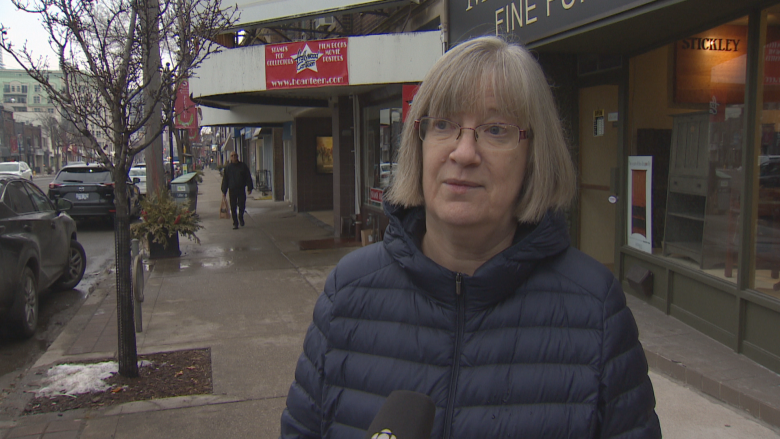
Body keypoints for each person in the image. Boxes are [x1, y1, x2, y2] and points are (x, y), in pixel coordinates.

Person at [280, 36, 661, 439]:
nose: (463, 152)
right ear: (419, 142)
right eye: (443, 124)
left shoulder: (595, 310)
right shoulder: (347, 293)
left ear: (535, 156)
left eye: (496, 129)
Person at [221, 152, 253, 229]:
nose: (234, 157)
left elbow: (248, 176)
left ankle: (241, 217)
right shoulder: (228, 168)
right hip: (232, 190)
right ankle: (235, 222)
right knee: (233, 206)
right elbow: (225, 180)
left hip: (241, 189)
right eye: (232, 156)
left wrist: (249, 187)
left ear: (237, 157)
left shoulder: (243, 166)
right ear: (230, 158)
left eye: (235, 155)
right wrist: (224, 191)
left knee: (242, 205)